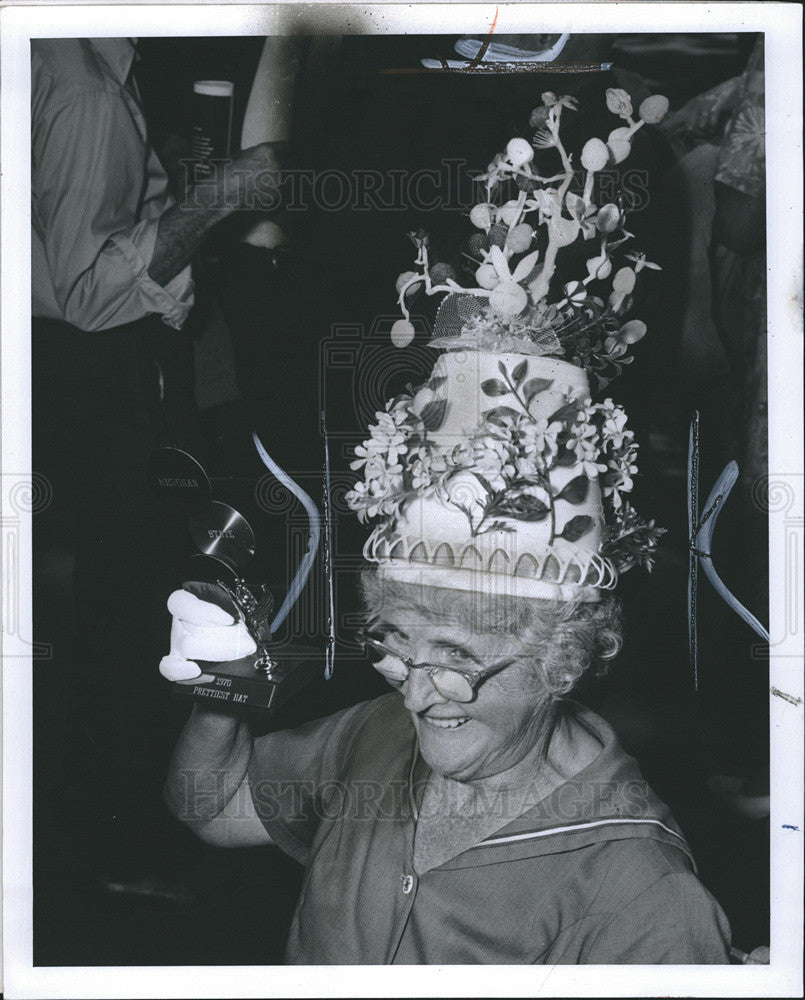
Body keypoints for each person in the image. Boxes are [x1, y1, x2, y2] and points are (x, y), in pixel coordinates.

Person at [162, 83, 732, 961]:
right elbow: (211, 807)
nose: (417, 690)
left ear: (562, 659)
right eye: (397, 643)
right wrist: (218, 702)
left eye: (458, 664)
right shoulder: (380, 737)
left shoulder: (640, 900)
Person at [31, 37, 280, 896]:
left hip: (52, 366)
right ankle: (112, 844)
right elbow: (89, 291)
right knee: (131, 603)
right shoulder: (83, 84)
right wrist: (220, 198)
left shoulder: (73, 66)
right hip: (89, 368)